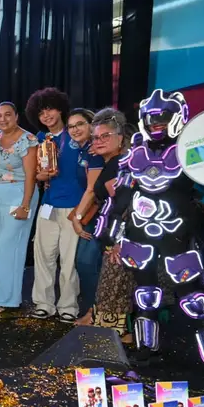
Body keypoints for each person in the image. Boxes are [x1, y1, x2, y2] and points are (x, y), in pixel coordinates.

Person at [99, 89, 204, 385]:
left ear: (177, 118)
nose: (156, 124)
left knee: (194, 299)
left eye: (163, 118)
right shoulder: (135, 153)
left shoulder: (190, 152)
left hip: (176, 234)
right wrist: (110, 230)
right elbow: (121, 196)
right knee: (145, 296)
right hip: (140, 233)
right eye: (151, 118)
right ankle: (146, 351)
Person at [26, 89, 104, 323]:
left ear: (60, 109)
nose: (46, 116)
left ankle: (68, 306)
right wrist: (41, 175)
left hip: (74, 207)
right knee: (43, 257)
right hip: (48, 204)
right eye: (41, 113)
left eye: (49, 109)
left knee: (69, 261)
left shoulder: (80, 140)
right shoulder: (41, 138)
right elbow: (35, 173)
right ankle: (43, 303)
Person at [85, 108, 134, 340]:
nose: (99, 141)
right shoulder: (111, 163)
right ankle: (117, 335)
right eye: (95, 137)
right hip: (114, 235)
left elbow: (125, 206)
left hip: (121, 238)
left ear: (120, 138)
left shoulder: (119, 165)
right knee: (116, 285)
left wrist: (118, 241)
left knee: (115, 285)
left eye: (106, 136)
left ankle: (115, 337)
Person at [0, 102, 39, 311]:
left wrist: (25, 205)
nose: (3, 119)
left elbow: (31, 175)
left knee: (11, 246)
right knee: (0, 248)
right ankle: (7, 296)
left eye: (8, 114)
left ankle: (7, 299)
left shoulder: (28, 140)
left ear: (16, 116)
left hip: (20, 193)